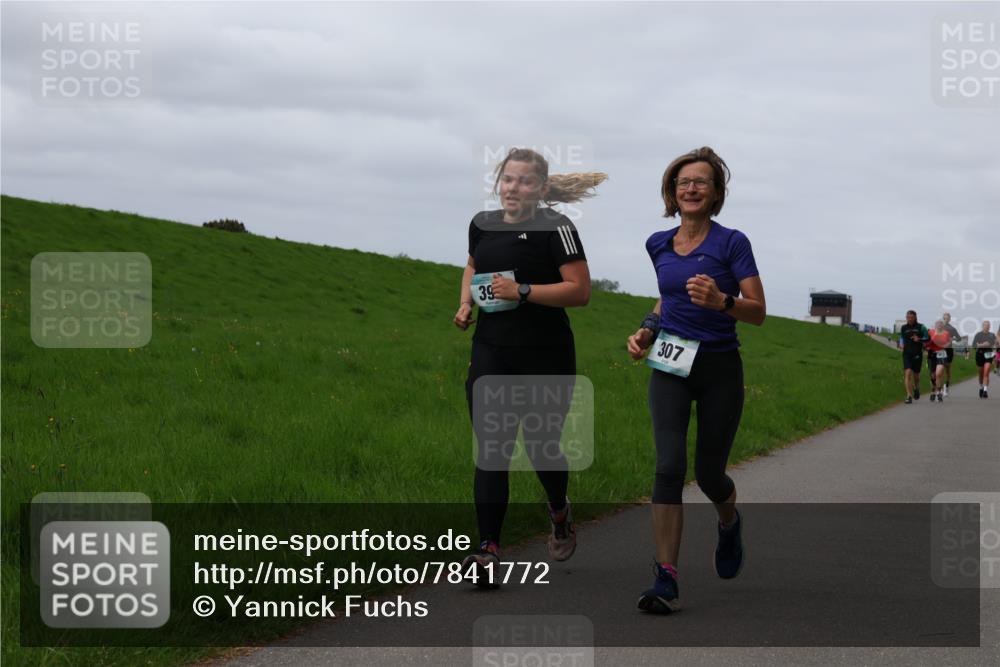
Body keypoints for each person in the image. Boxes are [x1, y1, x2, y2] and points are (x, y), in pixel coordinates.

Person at [454, 147, 606, 587]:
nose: (512, 187)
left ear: (540, 189)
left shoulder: (557, 228)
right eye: (507, 179)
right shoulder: (482, 225)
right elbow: (471, 267)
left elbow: (579, 291)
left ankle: (559, 510)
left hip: (546, 353)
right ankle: (487, 549)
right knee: (492, 449)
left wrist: (521, 290)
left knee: (542, 446)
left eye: (523, 181)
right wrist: (465, 303)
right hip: (491, 351)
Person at [625, 147, 765, 613]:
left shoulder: (732, 242)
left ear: (716, 193)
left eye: (701, 182)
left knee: (708, 474)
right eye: (684, 182)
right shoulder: (657, 243)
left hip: (719, 367)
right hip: (670, 364)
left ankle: (728, 522)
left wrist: (722, 301)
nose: (691, 188)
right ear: (672, 191)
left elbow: (758, 311)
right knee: (668, 466)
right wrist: (648, 327)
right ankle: (666, 577)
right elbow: (666, 299)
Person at [899, 311, 928, 404]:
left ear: (915, 317)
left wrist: (919, 339)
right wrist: (901, 344)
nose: (909, 319)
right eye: (908, 317)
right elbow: (901, 338)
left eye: (911, 317)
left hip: (917, 354)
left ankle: (917, 388)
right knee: (907, 373)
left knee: (916, 376)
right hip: (907, 354)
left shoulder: (921, 327)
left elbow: (928, 338)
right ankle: (908, 396)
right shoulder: (904, 328)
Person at [926, 320, 952, 403]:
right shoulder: (930, 332)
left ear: (943, 326)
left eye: (941, 325)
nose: (939, 326)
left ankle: (939, 392)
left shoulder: (946, 333)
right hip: (932, 354)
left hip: (942, 354)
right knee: (932, 376)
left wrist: (945, 346)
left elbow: (949, 342)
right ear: (935, 325)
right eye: (937, 324)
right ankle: (933, 391)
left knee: (938, 374)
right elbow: (926, 342)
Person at [972, 320, 997, 398]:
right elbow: (974, 345)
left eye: (988, 325)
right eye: (985, 325)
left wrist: (994, 348)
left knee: (986, 372)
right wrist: (982, 345)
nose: (987, 327)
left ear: (989, 327)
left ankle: (985, 390)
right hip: (979, 354)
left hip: (988, 354)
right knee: (981, 373)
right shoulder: (978, 335)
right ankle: (981, 387)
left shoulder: (992, 335)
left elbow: (995, 344)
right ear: (982, 326)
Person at [941, 313, 961, 396]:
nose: (946, 319)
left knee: (947, 369)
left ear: (949, 319)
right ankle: (941, 388)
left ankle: (947, 385)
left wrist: (953, 338)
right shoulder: (939, 327)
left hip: (948, 350)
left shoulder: (952, 328)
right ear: (943, 318)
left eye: (947, 318)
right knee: (940, 368)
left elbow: (959, 338)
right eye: (945, 318)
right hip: (940, 350)